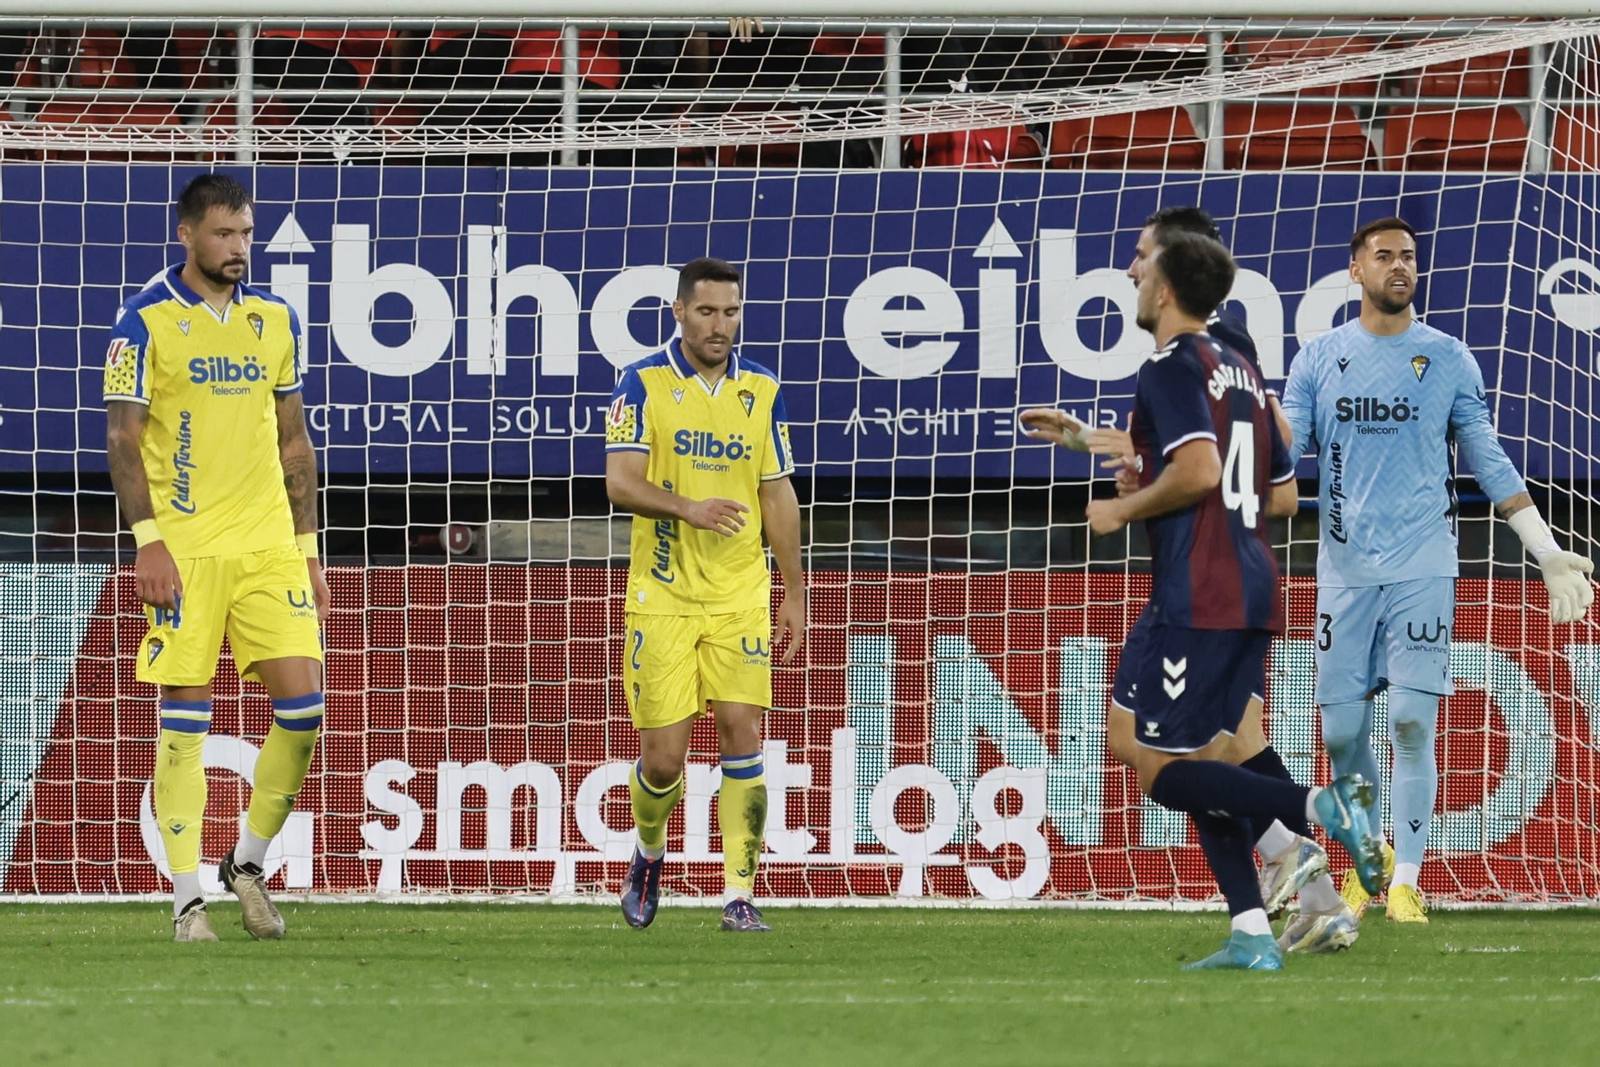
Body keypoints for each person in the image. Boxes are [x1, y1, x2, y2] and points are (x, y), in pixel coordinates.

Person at [1022, 232, 1384, 970]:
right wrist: (1095, 443)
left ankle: (1313, 812)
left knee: (1162, 766)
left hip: (1198, 588)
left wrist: (1123, 511)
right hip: (1248, 582)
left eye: (1142, 259)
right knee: (1199, 749)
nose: (1129, 270)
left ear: (1166, 283)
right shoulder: (1241, 369)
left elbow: (1199, 467)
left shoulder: (1174, 363)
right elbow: (1278, 490)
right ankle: (1262, 921)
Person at [1280, 217, 1595, 924]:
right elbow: (1286, 443)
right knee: (1339, 734)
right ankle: (1370, 860)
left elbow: (1488, 458)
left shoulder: (1447, 358)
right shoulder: (1318, 357)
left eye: (1409, 258)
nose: (1400, 267)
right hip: (1344, 568)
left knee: (1413, 723)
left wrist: (1544, 551)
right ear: (1355, 270)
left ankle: (1406, 883)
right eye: (1384, 257)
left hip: (1424, 561)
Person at [103, 174, 327, 942]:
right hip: (187, 551)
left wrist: (308, 551)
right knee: (185, 723)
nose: (239, 248)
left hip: (268, 547)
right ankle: (186, 899)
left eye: (246, 234)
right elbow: (123, 440)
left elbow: (293, 440)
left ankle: (248, 863)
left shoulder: (275, 319)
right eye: (224, 234)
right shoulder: (143, 325)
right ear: (188, 234)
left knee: (305, 712)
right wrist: (149, 541)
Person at [604, 256, 805, 933]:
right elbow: (620, 482)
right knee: (663, 759)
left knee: (743, 732)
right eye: (708, 311)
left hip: (741, 593)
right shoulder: (644, 382)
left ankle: (739, 893)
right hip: (661, 595)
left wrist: (795, 590)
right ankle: (649, 851)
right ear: (679, 312)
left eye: (731, 311)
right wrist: (688, 509)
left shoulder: (763, 388)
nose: (721, 325)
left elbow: (777, 492)